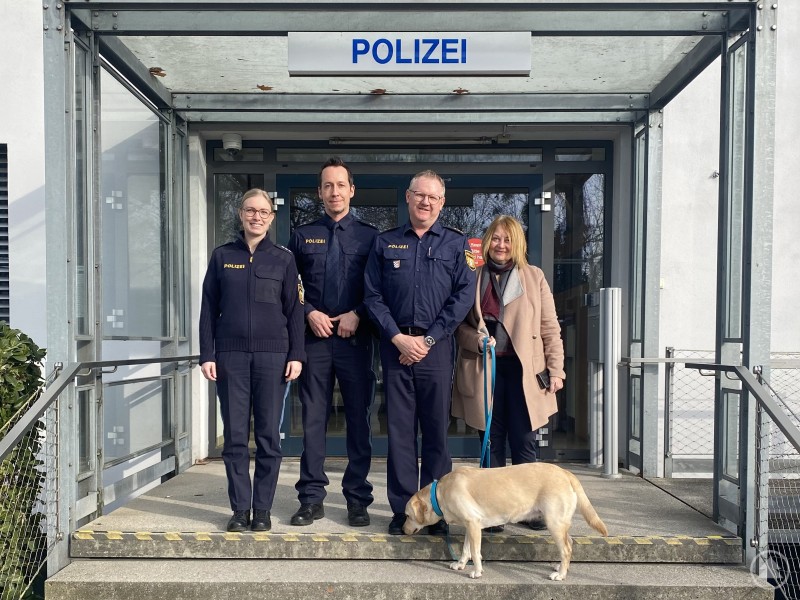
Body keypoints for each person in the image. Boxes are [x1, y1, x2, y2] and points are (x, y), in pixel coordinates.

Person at [364, 170, 477, 536]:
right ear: (408, 198)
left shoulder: (457, 245)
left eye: (433, 197)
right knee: (398, 433)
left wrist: (427, 341)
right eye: (419, 195)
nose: (425, 202)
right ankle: (403, 510)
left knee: (435, 435)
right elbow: (372, 296)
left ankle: (436, 511)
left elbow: (462, 297)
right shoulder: (385, 243)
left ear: (442, 203)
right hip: (395, 349)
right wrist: (397, 337)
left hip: (436, 350)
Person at [199, 188, 306, 533]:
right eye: (250, 210)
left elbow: (294, 311)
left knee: (268, 438)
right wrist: (207, 354)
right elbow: (207, 310)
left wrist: (297, 355)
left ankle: (262, 510)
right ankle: (239, 509)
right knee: (233, 437)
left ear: (271, 217)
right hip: (230, 357)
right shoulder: (221, 256)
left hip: (273, 357)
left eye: (263, 211)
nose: (256, 216)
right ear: (241, 214)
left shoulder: (284, 259)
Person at [452, 215, 565, 529]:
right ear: (488, 242)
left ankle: (528, 509)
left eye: (508, 239)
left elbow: (550, 328)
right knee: (490, 441)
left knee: (524, 440)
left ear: (517, 244)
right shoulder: (472, 276)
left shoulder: (534, 276)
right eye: (496, 239)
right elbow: (459, 327)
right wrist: (476, 340)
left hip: (524, 374)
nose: (501, 246)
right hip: (484, 371)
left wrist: (557, 369)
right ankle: (493, 510)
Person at [287, 157, 379, 528]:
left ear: (352, 190)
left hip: (356, 342)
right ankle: (311, 498)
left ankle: (357, 499)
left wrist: (359, 312)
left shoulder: (371, 237)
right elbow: (289, 285)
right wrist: (309, 311)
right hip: (315, 341)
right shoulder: (302, 234)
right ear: (319, 192)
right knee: (313, 421)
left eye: (340, 185)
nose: (334, 192)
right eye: (327, 185)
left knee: (359, 421)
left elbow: (378, 289)